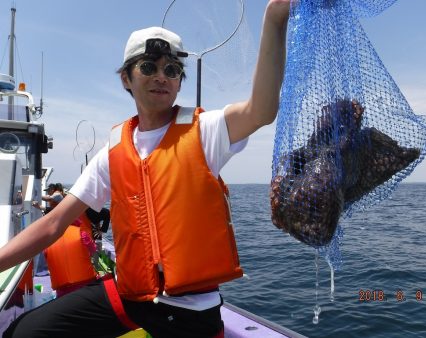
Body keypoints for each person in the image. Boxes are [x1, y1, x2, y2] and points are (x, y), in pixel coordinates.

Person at [0, 1, 290, 337]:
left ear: (180, 82)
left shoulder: (206, 131)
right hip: (128, 294)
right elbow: (53, 224)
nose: (161, 77)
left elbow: (261, 110)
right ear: (126, 78)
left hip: (190, 310)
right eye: (148, 66)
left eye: (172, 70)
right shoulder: (114, 150)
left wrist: (274, 17)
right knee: (25, 331)